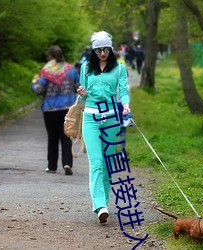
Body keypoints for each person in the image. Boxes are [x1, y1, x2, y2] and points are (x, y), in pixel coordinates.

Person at [77, 31, 130, 223]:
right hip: (90, 118)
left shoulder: (119, 68)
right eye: (98, 50)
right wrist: (82, 92)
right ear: (93, 50)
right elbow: (83, 97)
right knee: (97, 163)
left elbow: (122, 90)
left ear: (111, 48)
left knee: (108, 164)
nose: (102, 53)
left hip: (111, 119)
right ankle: (100, 205)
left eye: (106, 49)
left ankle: (104, 201)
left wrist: (125, 104)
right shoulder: (85, 68)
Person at [31, 45, 80, 175]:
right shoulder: (71, 70)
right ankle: (67, 163)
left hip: (50, 109)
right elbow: (78, 87)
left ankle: (52, 166)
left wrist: (34, 83)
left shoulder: (46, 71)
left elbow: (39, 90)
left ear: (50, 57)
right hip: (67, 109)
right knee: (66, 137)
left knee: (52, 138)